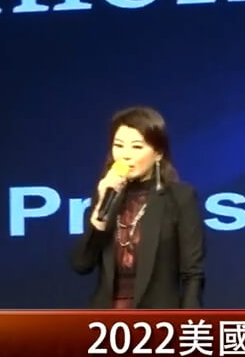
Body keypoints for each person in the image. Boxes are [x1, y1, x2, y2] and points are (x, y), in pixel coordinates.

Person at [70, 106, 206, 309]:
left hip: (159, 319)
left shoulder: (180, 197)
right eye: (118, 145)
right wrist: (102, 207)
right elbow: (82, 264)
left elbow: (192, 274)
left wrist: (188, 322)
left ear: (158, 153)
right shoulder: (106, 194)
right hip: (107, 320)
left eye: (136, 147)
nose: (125, 155)